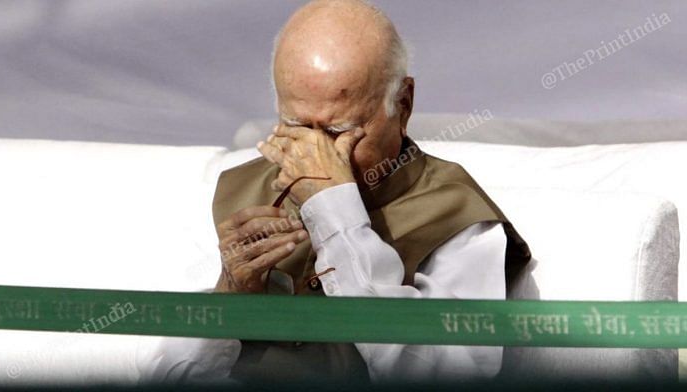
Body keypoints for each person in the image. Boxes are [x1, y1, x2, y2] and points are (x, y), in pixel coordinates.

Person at [139, 0, 529, 385]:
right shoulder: (237, 188)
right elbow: (163, 377)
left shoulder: (456, 211)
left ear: (403, 105)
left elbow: (448, 375)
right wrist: (230, 298)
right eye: (294, 125)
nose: (314, 154)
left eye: (338, 131)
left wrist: (336, 213)